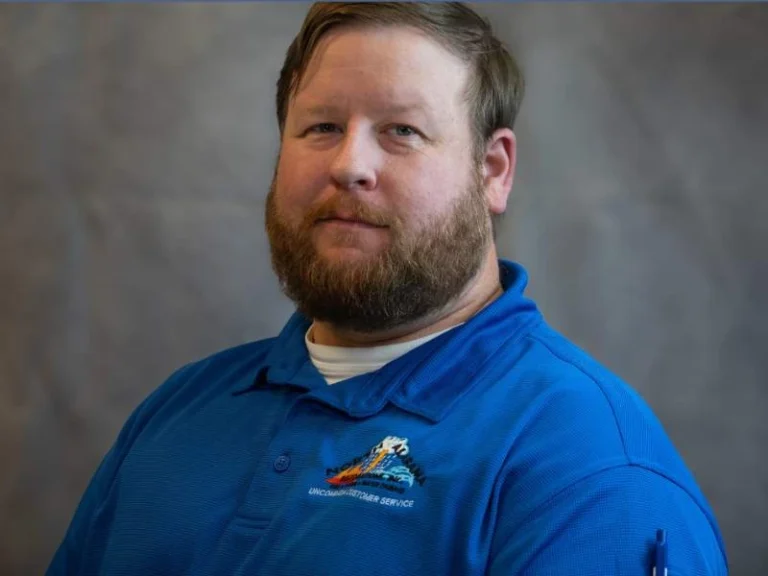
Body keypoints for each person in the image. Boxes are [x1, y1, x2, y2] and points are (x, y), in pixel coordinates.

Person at [48, 2, 728, 575]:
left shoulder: (593, 475)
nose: (350, 165)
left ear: (493, 171)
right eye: (321, 127)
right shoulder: (178, 412)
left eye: (401, 131)